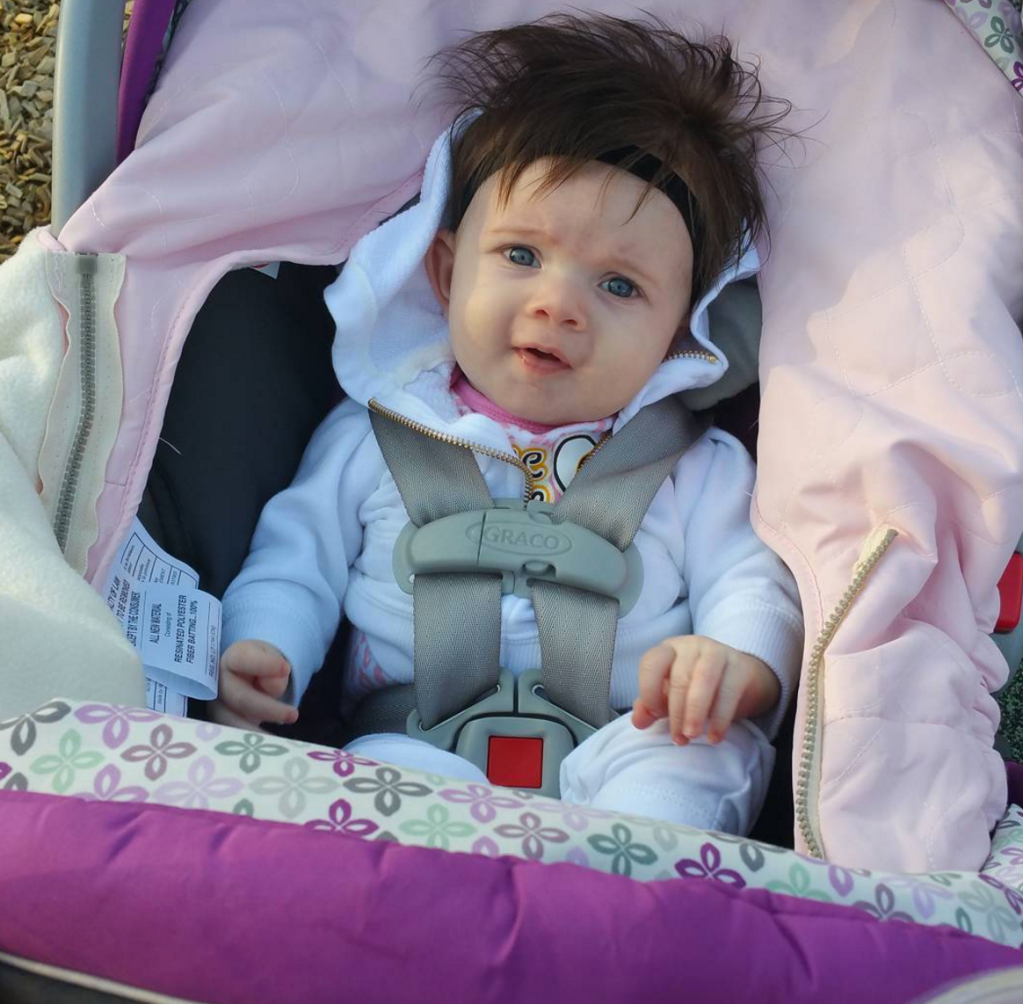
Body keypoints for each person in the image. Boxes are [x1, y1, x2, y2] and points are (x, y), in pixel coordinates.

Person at [213, 14, 803, 834]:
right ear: (448, 271)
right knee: (364, 793)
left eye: (620, 287)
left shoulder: (693, 466)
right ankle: (430, 898)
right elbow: (295, 558)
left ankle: (634, 898)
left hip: (629, 739)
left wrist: (739, 662)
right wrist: (264, 644)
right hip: (413, 742)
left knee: (699, 753)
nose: (556, 304)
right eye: (521, 256)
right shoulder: (374, 436)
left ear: (677, 333)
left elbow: (752, 580)